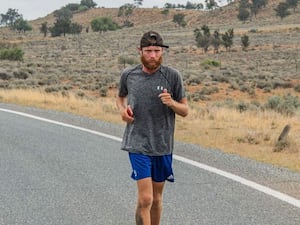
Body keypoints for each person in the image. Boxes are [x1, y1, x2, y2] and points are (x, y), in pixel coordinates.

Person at [116, 31, 188, 225]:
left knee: (155, 199)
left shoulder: (172, 76)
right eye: (148, 51)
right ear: (140, 51)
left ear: (162, 51)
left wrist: (171, 103)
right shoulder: (129, 75)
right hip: (137, 142)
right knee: (146, 198)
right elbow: (121, 97)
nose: (153, 55)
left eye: (157, 51)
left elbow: (185, 110)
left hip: (162, 144)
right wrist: (123, 111)